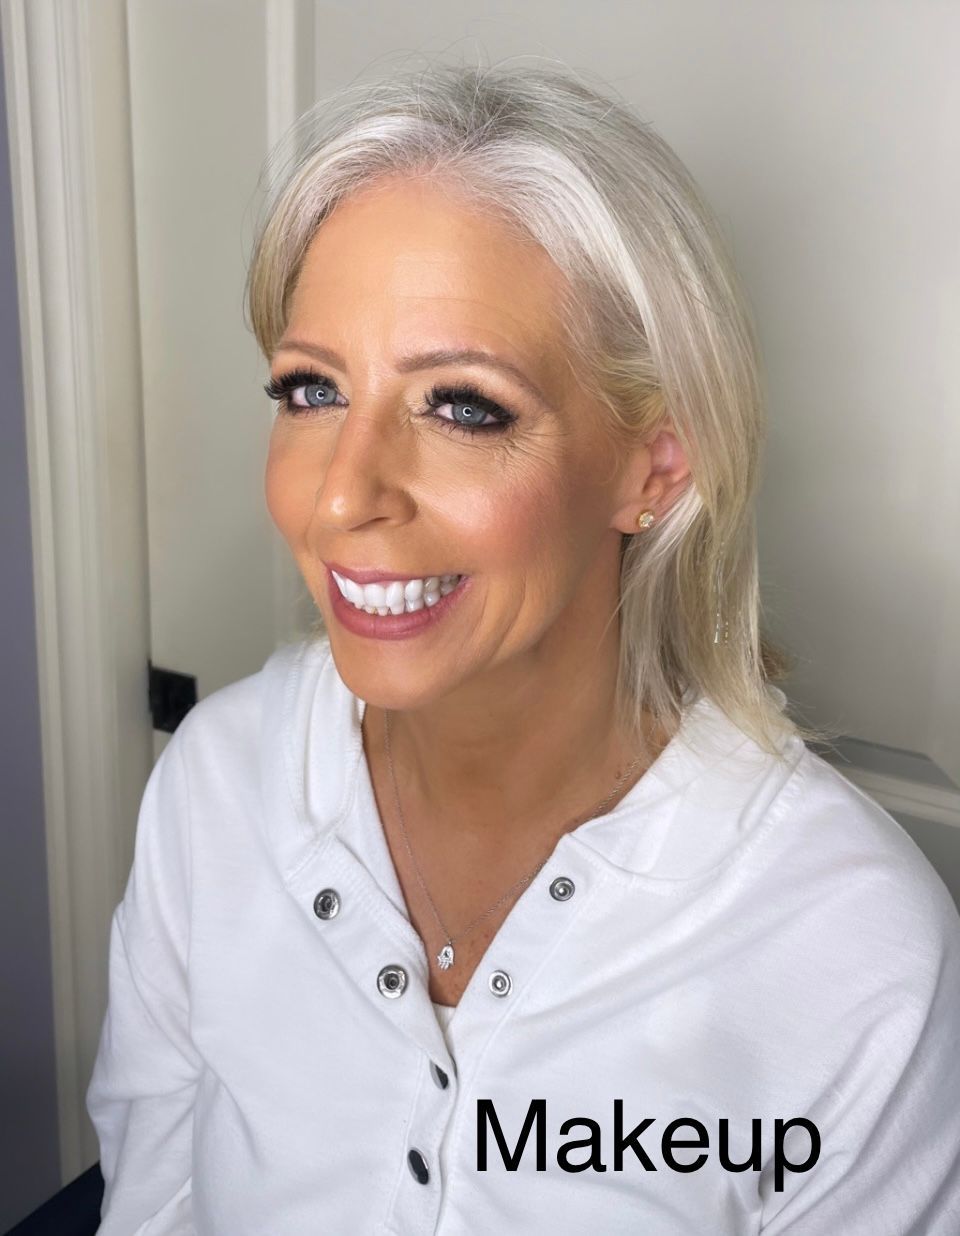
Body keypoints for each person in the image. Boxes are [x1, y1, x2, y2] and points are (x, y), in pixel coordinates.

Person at [86, 60, 960, 1234]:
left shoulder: (855, 954)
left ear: (656, 468)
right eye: (310, 390)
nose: (342, 496)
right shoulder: (218, 784)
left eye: (462, 405)